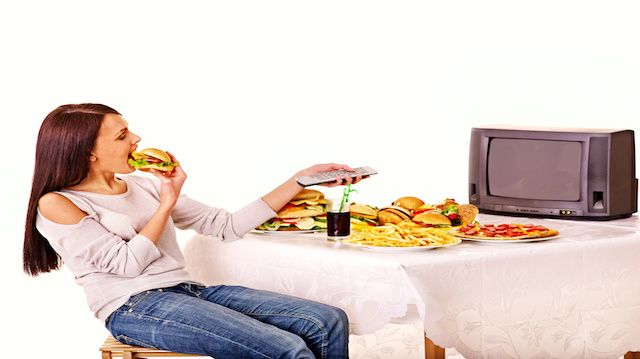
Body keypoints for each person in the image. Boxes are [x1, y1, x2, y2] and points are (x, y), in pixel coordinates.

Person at [23, 104, 365, 358]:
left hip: (187, 291)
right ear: (89, 151)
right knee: (286, 349)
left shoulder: (144, 185)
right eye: (122, 135)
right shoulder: (58, 203)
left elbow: (226, 226)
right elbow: (126, 264)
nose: (137, 138)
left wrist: (298, 180)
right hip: (132, 307)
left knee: (326, 320)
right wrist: (166, 205)